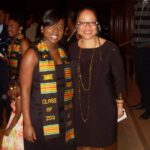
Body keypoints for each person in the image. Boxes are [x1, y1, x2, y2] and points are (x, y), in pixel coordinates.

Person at [69, 7, 126, 150]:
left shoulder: (110, 49)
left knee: (104, 144)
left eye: (92, 22)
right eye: (82, 22)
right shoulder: (71, 50)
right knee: (82, 145)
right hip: (78, 109)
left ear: (97, 25)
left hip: (104, 108)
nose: (87, 27)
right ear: (76, 26)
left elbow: (120, 80)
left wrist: (119, 106)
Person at [20, 9, 75, 150]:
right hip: (40, 119)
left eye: (60, 27)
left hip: (64, 118)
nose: (56, 30)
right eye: (51, 26)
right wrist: (27, 124)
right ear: (42, 28)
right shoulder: (32, 54)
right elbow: (25, 91)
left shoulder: (64, 53)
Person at [130, 0, 150, 119]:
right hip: (137, 46)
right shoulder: (137, 5)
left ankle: (149, 108)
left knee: (148, 79)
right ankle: (144, 101)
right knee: (140, 78)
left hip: (147, 47)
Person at [1, 79, 23, 150]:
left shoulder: (19, 100)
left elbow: (17, 115)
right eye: (11, 88)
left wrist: (9, 129)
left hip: (17, 122)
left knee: (13, 137)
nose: (12, 90)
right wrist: (12, 95)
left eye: (14, 88)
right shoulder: (18, 97)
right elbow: (10, 93)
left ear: (20, 87)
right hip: (14, 118)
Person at [7, 12, 30, 79]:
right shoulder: (12, 41)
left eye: (12, 26)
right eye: (8, 26)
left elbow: (27, 68)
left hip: (20, 81)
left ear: (20, 28)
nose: (8, 29)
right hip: (12, 80)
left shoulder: (23, 43)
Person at [0, 8, 11, 128]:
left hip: (4, 70)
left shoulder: (8, 31)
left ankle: (8, 122)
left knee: (6, 96)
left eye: (1, 15)